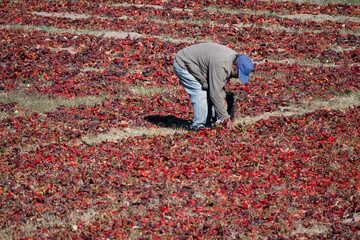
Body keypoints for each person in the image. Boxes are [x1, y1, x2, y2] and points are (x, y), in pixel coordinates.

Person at [173, 42, 254, 130]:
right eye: (238, 73)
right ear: (235, 65)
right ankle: (198, 125)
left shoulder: (232, 61)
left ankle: (209, 122)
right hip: (185, 63)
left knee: (215, 94)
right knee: (200, 92)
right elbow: (214, 93)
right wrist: (226, 118)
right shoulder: (221, 64)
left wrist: (222, 96)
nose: (237, 77)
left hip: (200, 67)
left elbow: (218, 84)